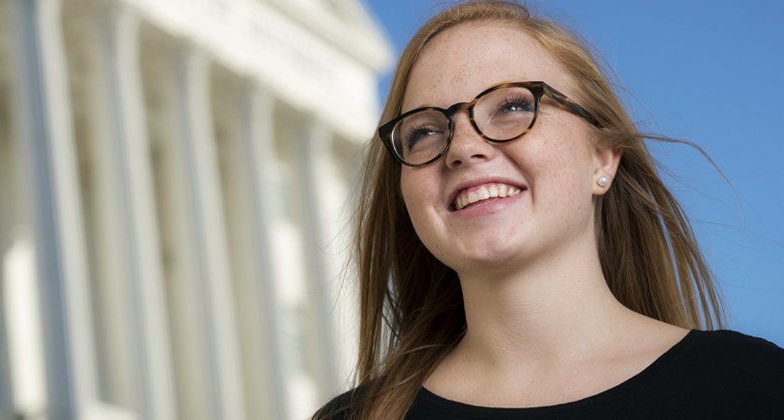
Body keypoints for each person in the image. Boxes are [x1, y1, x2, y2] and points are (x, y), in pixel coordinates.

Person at [314, 1, 784, 419]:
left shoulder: (759, 388)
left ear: (602, 158)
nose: (462, 147)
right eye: (424, 132)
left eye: (513, 106)